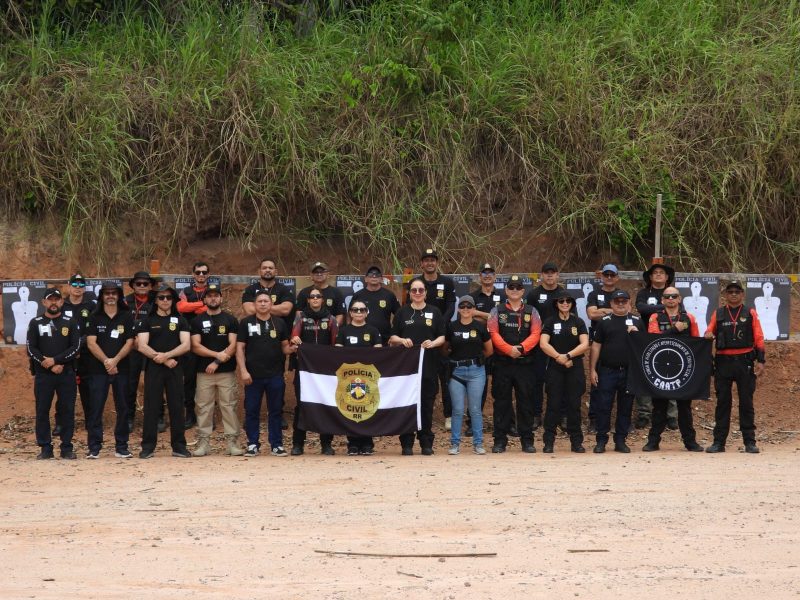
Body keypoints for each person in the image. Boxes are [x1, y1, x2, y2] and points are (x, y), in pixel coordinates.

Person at [704, 281, 765, 454]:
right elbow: (709, 331)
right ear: (724, 295)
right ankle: (719, 442)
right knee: (723, 403)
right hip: (723, 361)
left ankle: (750, 442)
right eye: (729, 291)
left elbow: (759, 337)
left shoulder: (750, 313)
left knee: (746, 402)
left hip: (744, 361)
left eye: (737, 292)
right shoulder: (719, 313)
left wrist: (761, 361)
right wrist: (708, 334)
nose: (733, 294)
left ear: (742, 294)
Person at [642, 286, 704, 452]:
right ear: (662, 300)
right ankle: (653, 441)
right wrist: (673, 330)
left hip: (683, 369)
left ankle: (690, 442)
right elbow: (652, 340)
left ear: (679, 299)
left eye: (673, 296)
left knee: (684, 408)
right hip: (660, 368)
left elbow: (697, 342)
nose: (670, 299)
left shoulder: (689, 318)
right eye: (667, 296)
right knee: (659, 408)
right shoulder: (655, 317)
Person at [389, 277, 446, 455]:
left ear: (426, 293)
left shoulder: (434, 312)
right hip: (406, 369)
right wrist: (402, 340)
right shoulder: (402, 313)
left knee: (426, 404)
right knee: (407, 404)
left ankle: (426, 442)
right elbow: (392, 338)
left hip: (428, 365)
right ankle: (406, 443)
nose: (417, 293)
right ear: (409, 293)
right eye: (414, 290)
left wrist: (433, 343)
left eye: (421, 290)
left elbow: (442, 337)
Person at [487, 274, 542, 454]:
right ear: (506, 290)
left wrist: (521, 348)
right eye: (511, 287)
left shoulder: (532, 311)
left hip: (525, 364)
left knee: (525, 403)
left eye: (518, 287)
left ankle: (527, 440)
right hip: (502, 364)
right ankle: (500, 440)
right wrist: (508, 349)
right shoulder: (497, 310)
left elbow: (536, 333)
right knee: (501, 403)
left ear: (523, 291)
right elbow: (493, 333)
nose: (515, 290)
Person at [136, 284, 192, 459]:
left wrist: (167, 357)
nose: (165, 300)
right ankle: (147, 447)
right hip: (154, 368)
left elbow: (186, 345)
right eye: (161, 297)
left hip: (175, 367)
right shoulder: (148, 321)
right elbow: (141, 345)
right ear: (156, 300)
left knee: (177, 407)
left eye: (169, 297)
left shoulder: (180, 320)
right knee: (152, 407)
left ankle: (179, 446)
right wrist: (161, 359)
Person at [27, 288, 81, 459]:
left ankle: (66, 447)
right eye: (50, 300)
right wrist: (49, 365)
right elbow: (31, 348)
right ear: (44, 302)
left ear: (61, 302)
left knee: (67, 410)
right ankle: (45, 448)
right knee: (42, 410)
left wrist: (57, 361)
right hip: (44, 375)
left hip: (66, 373)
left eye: (57, 300)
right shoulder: (35, 322)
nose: (53, 303)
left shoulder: (70, 322)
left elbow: (76, 347)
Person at [237, 290, 293, 457]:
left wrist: (294, 348)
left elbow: (285, 347)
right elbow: (240, 348)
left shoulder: (280, 323)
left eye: (265, 301)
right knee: (252, 411)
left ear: (271, 304)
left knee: (275, 411)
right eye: (259, 301)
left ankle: (276, 445)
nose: (262, 304)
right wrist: (243, 371)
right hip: (252, 376)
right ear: (254, 305)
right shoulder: (246, 322)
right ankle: (253, 444)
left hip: (275, 375)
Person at [189, 284, 241, 457]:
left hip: (226, 372)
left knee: (229, 406)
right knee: (203, 407)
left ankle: (232, 442)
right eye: (209, 296)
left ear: (221, 298)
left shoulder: (230, 319)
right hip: (204, 372)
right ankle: (204, 443)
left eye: (215, 296)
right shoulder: (196, 321)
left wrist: (217, 361)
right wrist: (216, 355)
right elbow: (195, 346)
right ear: (204, 299)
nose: (213, 298)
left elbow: (233, 345)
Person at [84, 281, 135, 459]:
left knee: (123, 408)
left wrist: (116, 361)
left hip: (122, 369)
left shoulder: (127, 316)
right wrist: (107, 361)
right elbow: (91, 342)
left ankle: (121, 446)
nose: (111, 296)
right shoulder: (94, 316)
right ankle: (94, 447)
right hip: (98, 370)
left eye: (114, 293)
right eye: (107, 293)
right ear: (102, 296)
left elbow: (130, 342)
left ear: (119, 295)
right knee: (96, 408)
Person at [589, 289, 642, 453]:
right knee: (603, 407)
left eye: (624, 301)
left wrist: (637, 334)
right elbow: (596, 346)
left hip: (629, 372)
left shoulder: (637, 321)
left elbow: (644, 347)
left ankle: (620, 441)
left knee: (625, 408)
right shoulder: (605, 321)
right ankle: (601, 441)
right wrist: (592, 370)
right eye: (617, 301)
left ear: (629, 303)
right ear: (611, 304)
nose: (620, 304)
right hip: (607, 371)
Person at [289, 286, 339, 456]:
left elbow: (335, 346)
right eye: (312, 297)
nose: (315, 299)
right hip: (305, 371)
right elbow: (293, 342)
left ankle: (326, 444)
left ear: (322, 299)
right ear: (308, 300)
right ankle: (298, 444)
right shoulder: (300, 318)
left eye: (318, 296)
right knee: (302, 405)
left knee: (326, 405)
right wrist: (294, 341)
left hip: (325, 372)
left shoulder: (331, 319)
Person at [538, 290, 590, 453]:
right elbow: (543, 343)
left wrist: (567, 356)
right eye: (561, 301)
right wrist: (558, 358)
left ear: (572, 304)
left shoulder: (578, 322)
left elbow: (584, 344)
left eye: (568, 301)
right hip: (555, 367)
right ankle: (548, 442)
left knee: (574, 406)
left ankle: (576, 442)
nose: (565, 303)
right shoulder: (550, 321)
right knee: (553, 405)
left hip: (574, 366)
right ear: (556, 304)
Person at [413, 249, 455, 430]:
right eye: (426, 260)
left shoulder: (446, 282)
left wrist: (440, 326)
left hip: (442, 336)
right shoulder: (416, 283)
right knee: (420, 378)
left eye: (433, 260)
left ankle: (449, 415)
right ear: (421, 263)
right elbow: (409, 306)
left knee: (445, 377)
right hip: (420, 340)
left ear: (437, 262)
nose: (430, 263)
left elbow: (451, 306)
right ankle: (417, 414)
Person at [444, 295, 492, 455]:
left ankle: (478, 444)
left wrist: (476, 359)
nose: (465, 309)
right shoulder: (451, 326)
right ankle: (455, 444)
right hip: (456, 371)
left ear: (473, 309)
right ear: (458, 309)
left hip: (476, 372)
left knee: (475, 409)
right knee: (457, 409)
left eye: (469, 307)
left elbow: (489, 350)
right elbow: (444, 348)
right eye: (462, 306)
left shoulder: (480, 327)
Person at [336, 299, 383, 455]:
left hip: (368, 378)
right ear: (350, 312)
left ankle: (367, 443)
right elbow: (337, 353)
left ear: (366, 312)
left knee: (367, 408)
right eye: (355, 310)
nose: (358, 312)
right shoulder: (343, 331)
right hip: (349, 377)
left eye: (362, 310)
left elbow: (378, 352)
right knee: (351, 408)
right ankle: (353, 443)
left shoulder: (373, 330)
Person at [634, 263, 678, 430]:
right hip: (647, 339)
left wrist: (660, 308)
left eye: (662, 273)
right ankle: (644, 414)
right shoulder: (644, 293)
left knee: (671, 375)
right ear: (650, 277)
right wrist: (666, 307)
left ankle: (671, 415)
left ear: (667, 277)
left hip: (670, 340)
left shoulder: (672, 292)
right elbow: (642, 308)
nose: (659, 275)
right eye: (655, 273)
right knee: (644, 375)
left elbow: (681, 311)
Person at [525, 262, 564, 430]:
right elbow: (529, 317)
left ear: (557, 275)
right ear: (541, 275)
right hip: (538, 344)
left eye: (552, 272)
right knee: (537, 381)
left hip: (560, 343)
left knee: (559, 381)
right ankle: (536, 415)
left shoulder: (563, 293)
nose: (549, 275)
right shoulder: (534, 294)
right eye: (546, 272)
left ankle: (561, 415)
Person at [469, 263, 506, 437]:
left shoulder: (503, 296)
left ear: (495, 277)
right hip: (479, 346)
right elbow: (469, 315)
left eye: (490, 273)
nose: (487, 275)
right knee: (478, 387)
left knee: (501, 386)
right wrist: (492, 315)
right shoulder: (473, 296)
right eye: (484, 272)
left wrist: (482, 314)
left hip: (499, 346)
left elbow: (504, 316)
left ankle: (504, 423)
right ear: (479, 276)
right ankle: (473, 423)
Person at [585, 264, 622, 433]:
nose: (608, 277)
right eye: (606, 274)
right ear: (601, 276)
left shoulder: (620, 294)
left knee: (620, 382)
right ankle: (594, 419)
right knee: (596, 381)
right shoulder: (594, 293)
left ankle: (620, 421)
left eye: (611, 275)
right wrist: (613, 311)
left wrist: (603, 311)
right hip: (598, 341)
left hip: (618, 341)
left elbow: (626, 311)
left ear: (616, 277)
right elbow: (591, 314)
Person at [59, 273, 96, 434]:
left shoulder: (90, 306)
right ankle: (62, 423)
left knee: (88, 390)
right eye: (75, 284)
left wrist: (79, 346)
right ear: (69, 285)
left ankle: (91, 422)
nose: (78, 288)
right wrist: (71, 350)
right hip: (66, 355)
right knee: (63, 390)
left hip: (86, 354)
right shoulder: (62, 305)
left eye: (81, 285)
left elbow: (93, 329)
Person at [177, 261, 211, 429]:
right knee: (189, 381)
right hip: (189, 342)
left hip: (208, 341)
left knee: (207, 381)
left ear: (208, 275)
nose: (201, 275)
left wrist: (197, 307)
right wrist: (200, 305)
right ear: (193, 275)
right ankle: (190, 414)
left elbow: (213, 307)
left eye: (204, 272)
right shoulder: (186, 291)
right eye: (198, 272)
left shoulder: (212, 291)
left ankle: (207, 417)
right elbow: (181, 307)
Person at [125, 271, 157, 433]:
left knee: (154, 383)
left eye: (146, 284)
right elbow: (121, 323)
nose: (142, 286)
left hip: (153, 347)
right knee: (130, 384)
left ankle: (157, 417)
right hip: (132, 348)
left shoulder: (157, 300)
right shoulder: (125, 302)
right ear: (133, 286)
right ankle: (129, 417)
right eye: (139, 284)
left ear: (151, 285)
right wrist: (133, 340)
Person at [350, 265, 400, 344]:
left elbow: (399, 315)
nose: (374, 276)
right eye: (370, 275)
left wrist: (394, 333)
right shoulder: (358, 295)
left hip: (385, 338)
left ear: (381, 279)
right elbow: (350, 316)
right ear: (366, 279)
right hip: (362, 337)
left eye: (377, 275)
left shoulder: (389, 295)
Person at [296, 262, 346, 326]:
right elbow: (299, 313)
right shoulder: (304, 292)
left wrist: (331, 329)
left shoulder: (336, 292)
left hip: (329, 330)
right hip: (308, 330)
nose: (319, 274)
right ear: (311, 275)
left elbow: (340, 315)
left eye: (322, 272)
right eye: (316, 272)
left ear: (328, 274)